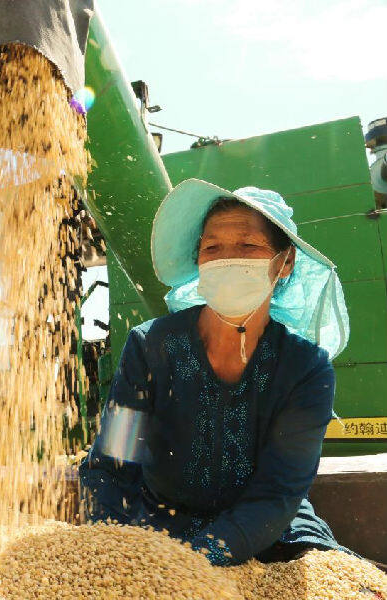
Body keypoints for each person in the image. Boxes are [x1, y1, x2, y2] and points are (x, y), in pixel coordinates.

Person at [80, 179, 351, 566]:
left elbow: (278, 494)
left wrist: (200, 560)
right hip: (159, 524)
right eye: (212, 248)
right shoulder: (151, 347)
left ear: (285, 262)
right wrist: (110, 545)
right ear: (199, 261)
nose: (227, 259)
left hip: (270, 534)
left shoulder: (305, 368)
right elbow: (112, 464)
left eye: (248, 246)